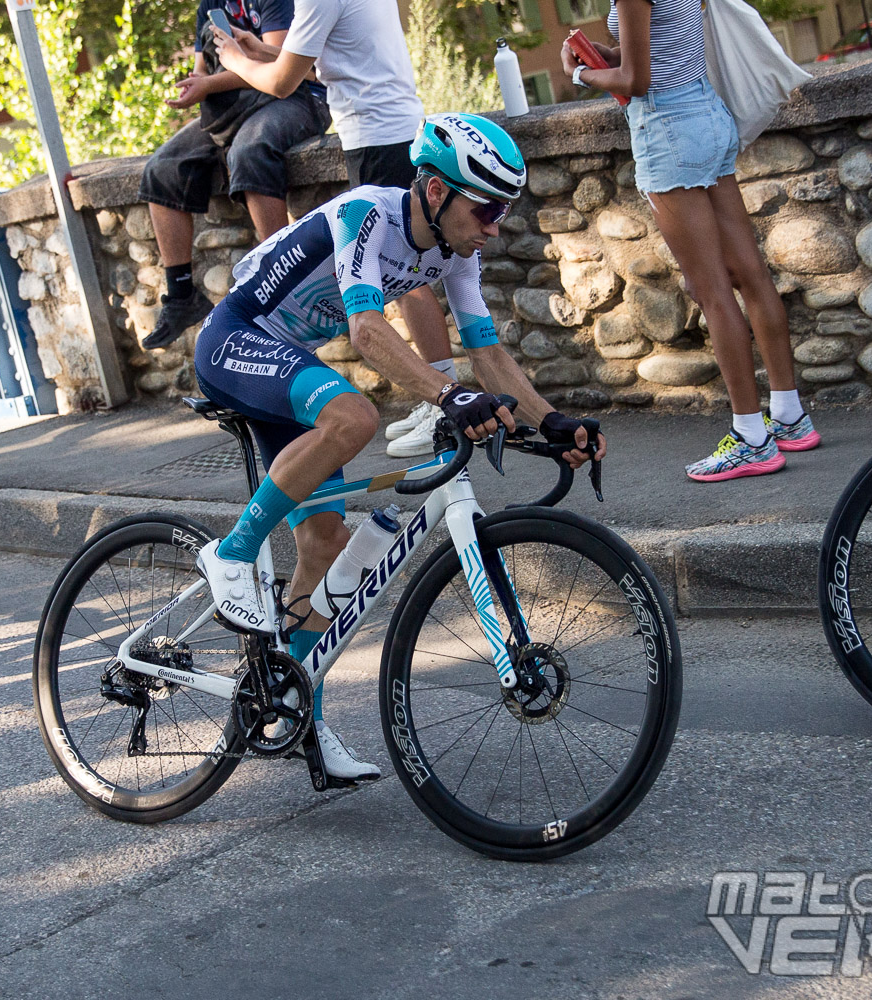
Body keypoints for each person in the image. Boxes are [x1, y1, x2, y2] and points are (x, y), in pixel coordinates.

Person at [192, 114, 605, 779]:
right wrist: (446, 396)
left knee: (324, 545)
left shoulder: (452, 249)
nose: (496, 225)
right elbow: (365, 329)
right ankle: (232, 551)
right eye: (487, 208)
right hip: (234, 340)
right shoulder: (368, 216)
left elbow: (487, 351)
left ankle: (303, 716)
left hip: (285, 359)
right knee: (354, 415)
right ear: (437, 192)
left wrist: (554, 421)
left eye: (503, 210)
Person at [562, 0, 817, 482]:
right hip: (707, 113)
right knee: (750, 272)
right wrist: (607, 54)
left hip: (669, 128)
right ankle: (788, 415)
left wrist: (582, 77)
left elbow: (637, 83)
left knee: (711, 289)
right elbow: (666, 46)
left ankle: (750, 439)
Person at [212, 0, 455, 459]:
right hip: (395, 128)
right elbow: (315, 66)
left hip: (377, 134)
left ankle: (441, 402)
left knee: (408, 276)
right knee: (407, 271)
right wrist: (259, 52)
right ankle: (440, 396)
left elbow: (282, 84)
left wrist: (235, 60)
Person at [140, 0, 331, 350]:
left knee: (250, 152)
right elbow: (204, 68)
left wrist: (210, 85)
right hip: (234, 102)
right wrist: (196, 84)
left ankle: (285, 282)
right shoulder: (209, 5)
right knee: (163, 167)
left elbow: (280, 65)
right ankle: (182, 295)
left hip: (296, 96)